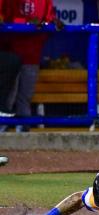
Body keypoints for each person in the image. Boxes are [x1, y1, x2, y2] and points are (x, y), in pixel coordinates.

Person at [1, 0, 62, 133]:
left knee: (25, 98)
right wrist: (26, 22)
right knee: (8, 98)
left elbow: (49, 21)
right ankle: (2, 132)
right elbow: (4, 19)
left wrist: (53, 23)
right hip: (10, 53)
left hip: (32, 55)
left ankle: (23, 133)